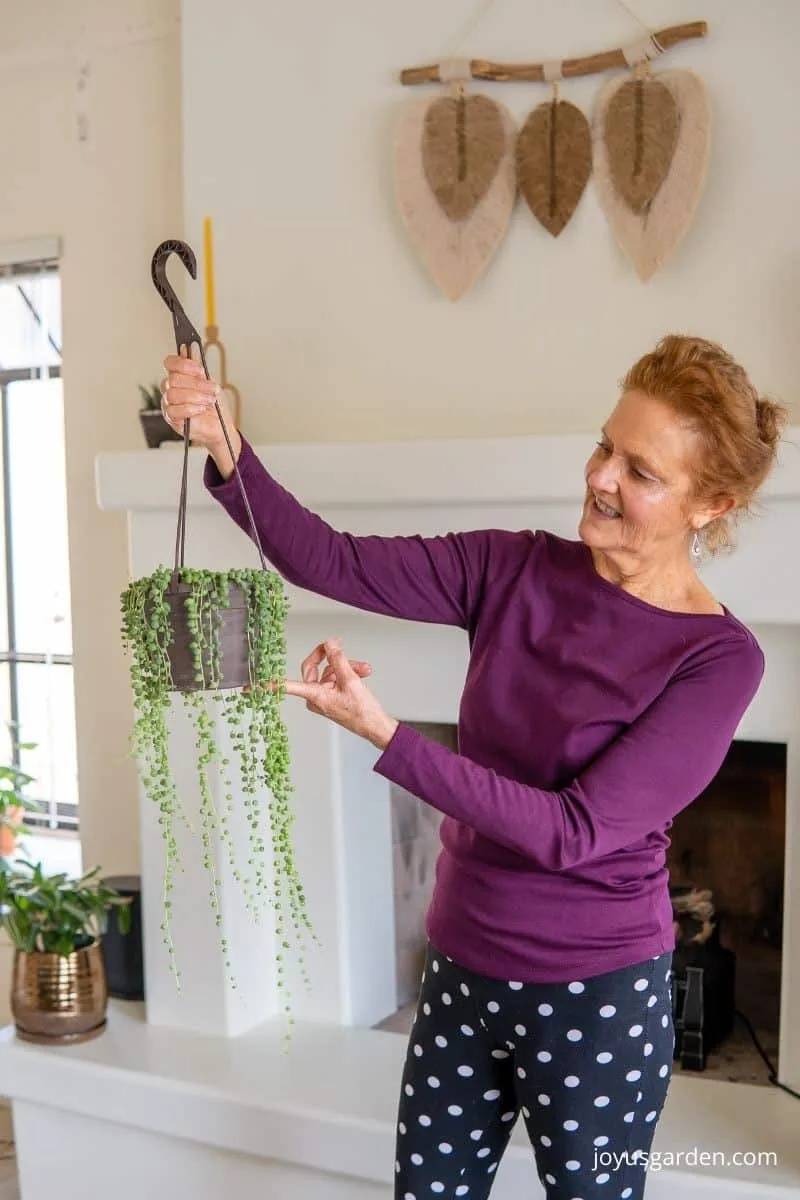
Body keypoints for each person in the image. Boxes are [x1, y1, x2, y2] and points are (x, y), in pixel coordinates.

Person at [161, 334, 788, 1199]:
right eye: (607, 445)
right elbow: (329, 559)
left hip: (595, 995)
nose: (602, 476)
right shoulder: (512, 566)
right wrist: (227, 444)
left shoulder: (717, 659)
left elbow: (574, 833)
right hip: (461, 965)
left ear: (709, 506)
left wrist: (388, 736)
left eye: (642, 472)